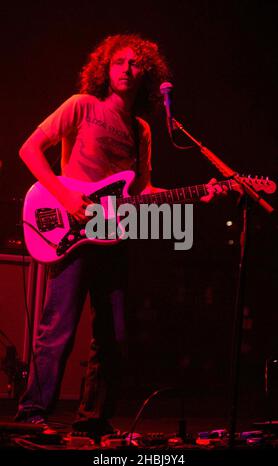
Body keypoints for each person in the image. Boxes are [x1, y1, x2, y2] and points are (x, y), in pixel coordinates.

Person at [16, 33, 224, 438]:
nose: (127, 69)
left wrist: (200, 194)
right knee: (57, 327)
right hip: (71, 228)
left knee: (113, 334)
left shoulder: (141, 129)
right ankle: (32, 414)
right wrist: (66, 198)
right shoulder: (82, 106)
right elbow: (30, 149)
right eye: (119, 62)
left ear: (146, 72)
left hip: (113, 236)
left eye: (135, 63)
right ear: (104, 69)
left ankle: (91, 419)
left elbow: (142, 191)